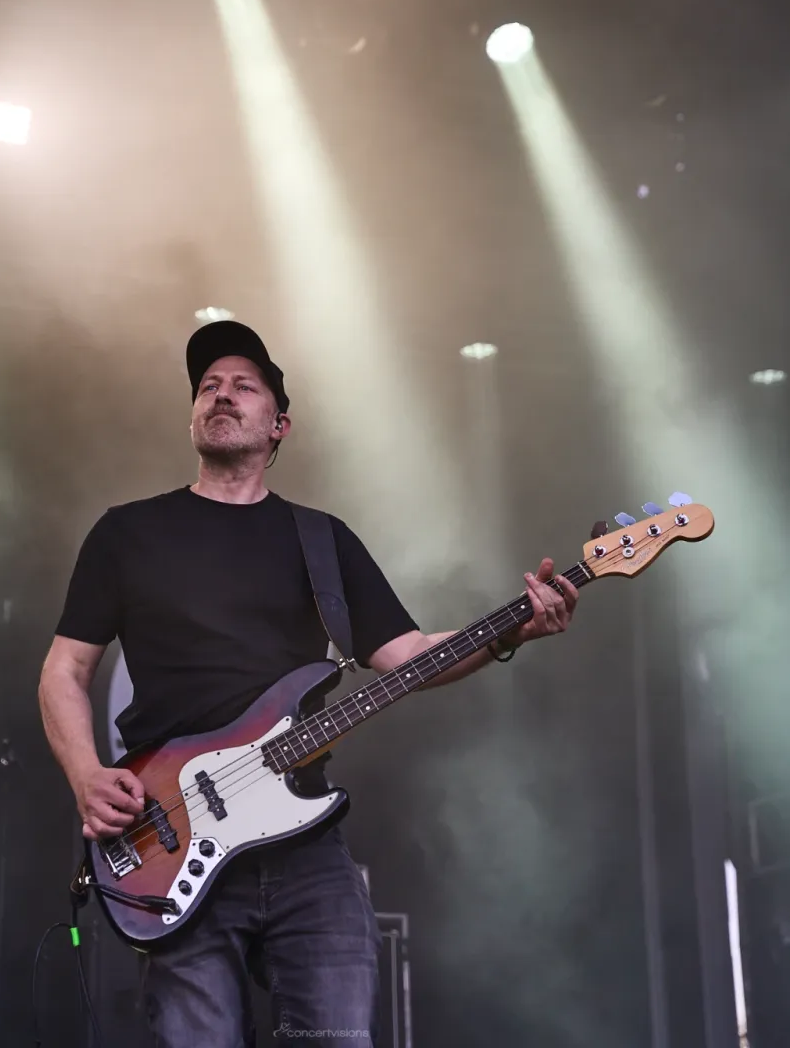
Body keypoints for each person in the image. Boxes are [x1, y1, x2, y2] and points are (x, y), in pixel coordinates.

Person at [38, 320, 579, 1047]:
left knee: (338, 1035)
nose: (221, 394)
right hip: (168, 831)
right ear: (192, 417)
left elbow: (409, 654)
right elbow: (65, 669)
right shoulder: (127, 534)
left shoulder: (321, 539)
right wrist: (84, 775)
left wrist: (513, 629)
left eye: (243, 386)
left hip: (302, 840)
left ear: (279, 425)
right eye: (207, 386)